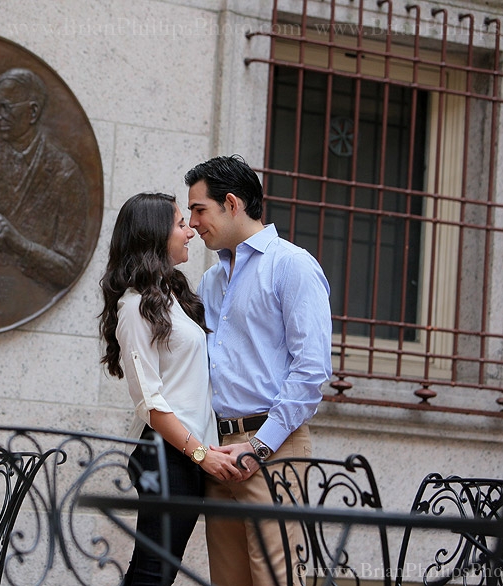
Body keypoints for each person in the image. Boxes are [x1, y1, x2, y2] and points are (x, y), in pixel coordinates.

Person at [184, 155, 333, 586]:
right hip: (217, 453)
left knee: (277, 580)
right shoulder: (212, 282)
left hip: (274, 448)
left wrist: (260, 448)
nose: (193, 222)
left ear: (231, 203)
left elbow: (310, 370)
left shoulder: (292, 265)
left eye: (199, 209)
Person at [99, 192, 239, 586]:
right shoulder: (133, 307)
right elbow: (150, 401)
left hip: (185, 457)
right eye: (180, 224)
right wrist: (201, 455)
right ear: (154, 235)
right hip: (169, 456)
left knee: (156, 572)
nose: (190, 230)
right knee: (152, 573)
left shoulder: (170, 296)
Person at [0, 67, 89, 290]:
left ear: (32, 112)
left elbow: (69, 269)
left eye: (5, 108)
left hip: (32, 294)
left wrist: (19, 244)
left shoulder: (65, 173)